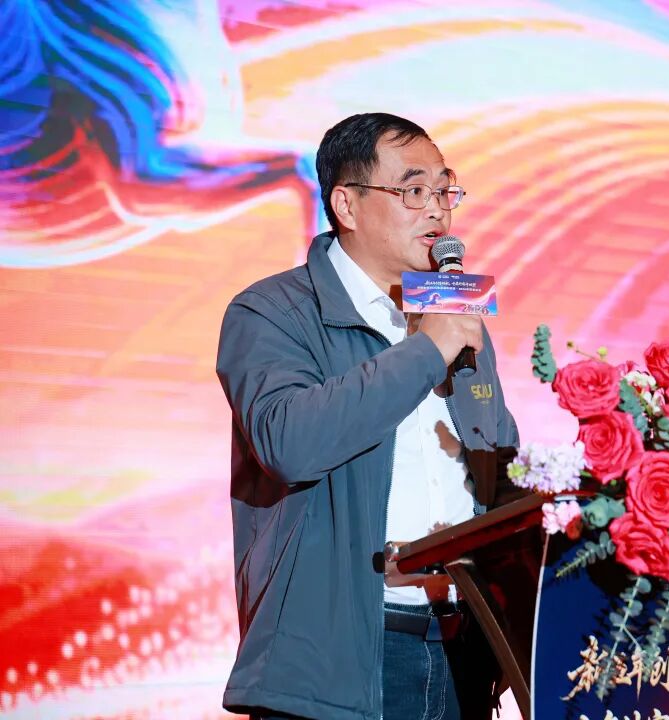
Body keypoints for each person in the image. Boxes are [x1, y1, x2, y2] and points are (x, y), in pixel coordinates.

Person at [215, 113, 520, 720]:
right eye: (414, 191)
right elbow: (290, 442)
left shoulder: (453, 317)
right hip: (345, 658)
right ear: (347, 205)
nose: (438, 211)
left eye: (445, 191)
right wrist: (426, 351)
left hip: (463, 649)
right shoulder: (272, 311)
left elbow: (496, 469)